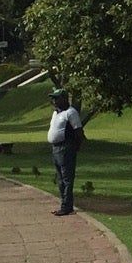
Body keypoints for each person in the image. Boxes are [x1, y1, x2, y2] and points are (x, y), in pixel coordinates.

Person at [47, 87, 84, 216]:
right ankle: (64, 203)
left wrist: (75, 147)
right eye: (53, 99)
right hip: (56, 148)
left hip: (65, 148)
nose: (54, 101)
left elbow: (78, 132)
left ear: (64, 98)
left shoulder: (71, 112)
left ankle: (67, 206)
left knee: (67, 178)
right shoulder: (56, 113)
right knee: (60, 179)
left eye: (56, 98)